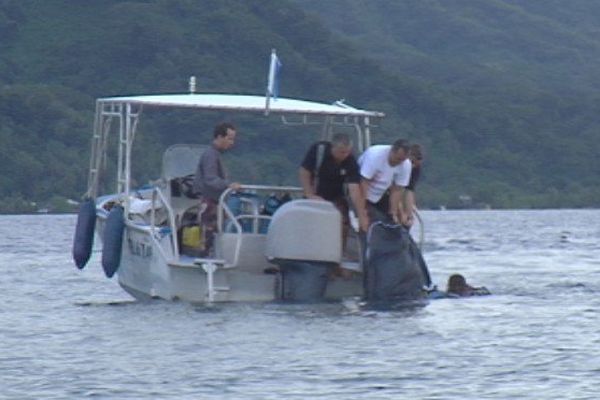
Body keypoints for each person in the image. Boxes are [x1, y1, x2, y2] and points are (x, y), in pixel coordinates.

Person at [299, 133, 369, 233]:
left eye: (347, 152)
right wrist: (309, 194)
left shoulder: (350, 161)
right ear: (333, 147)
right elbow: (304, 171)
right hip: (315, 195)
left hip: (337, 198)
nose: (345, 155)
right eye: (341, 152)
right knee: (309, 226)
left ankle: (340, 248)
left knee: (341, 225)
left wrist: (361, 214)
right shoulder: (318, 150)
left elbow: (354, 188)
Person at [193, 122, 241, 256]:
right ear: (220, 136)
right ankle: (204, 262)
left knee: (213, 234)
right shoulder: (210, 155)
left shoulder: (215, 154)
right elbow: (210, 179)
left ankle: (210, 257)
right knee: (207, 235)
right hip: (209, 202)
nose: (231, 142)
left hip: (216, 202)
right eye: (229, 138)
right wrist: (228, 185)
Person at [358, 139, 412, 225]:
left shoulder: (406, 164)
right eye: (398, 159)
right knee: (373, 218)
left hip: (381, 193)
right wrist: (363, 209)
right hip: (361, 189)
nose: (400, 162)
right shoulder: (374, 155)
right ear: (392, 150)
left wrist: (393, 213)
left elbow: (397, 190)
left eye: (403, 160)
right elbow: (364, 182)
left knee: (397, 221)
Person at [404, 143, 424, 227]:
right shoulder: (399, 164)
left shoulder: (417, 169)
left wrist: (409, 214)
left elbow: (409, 190)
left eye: (416, 163)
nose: (413, 166)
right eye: (412, 162)